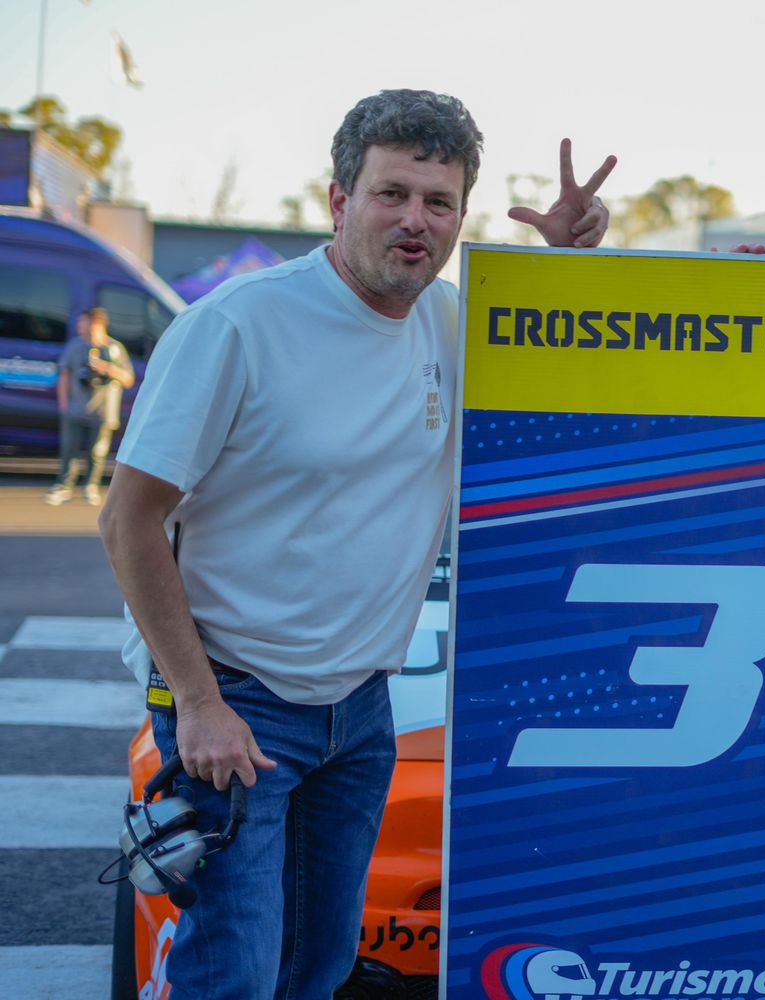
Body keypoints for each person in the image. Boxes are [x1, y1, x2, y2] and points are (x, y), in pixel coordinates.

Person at [98, 89, 613, 998]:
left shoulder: (452, 324)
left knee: (319, 969)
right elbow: (128, 519)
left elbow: (564, 356)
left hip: (361, 712)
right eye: (392, 194)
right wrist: (197, 701)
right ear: (339, 200)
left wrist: (561, 264)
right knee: (235, 974)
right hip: (238, 705)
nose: (415, 221)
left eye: (439, 202)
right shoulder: (236, 325)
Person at [43, 307, 133, 506]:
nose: (78, 326)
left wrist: (107, 368)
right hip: (76, 408)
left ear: (96, 324)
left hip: (103, 411)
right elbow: (65, 375)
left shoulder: (114, 349)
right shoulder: (75, 347)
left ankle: (90, 487)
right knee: (69, 449)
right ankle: (64, 486)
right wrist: (64, 403)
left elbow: (128, 379)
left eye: (82, 322)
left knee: (97, 452)